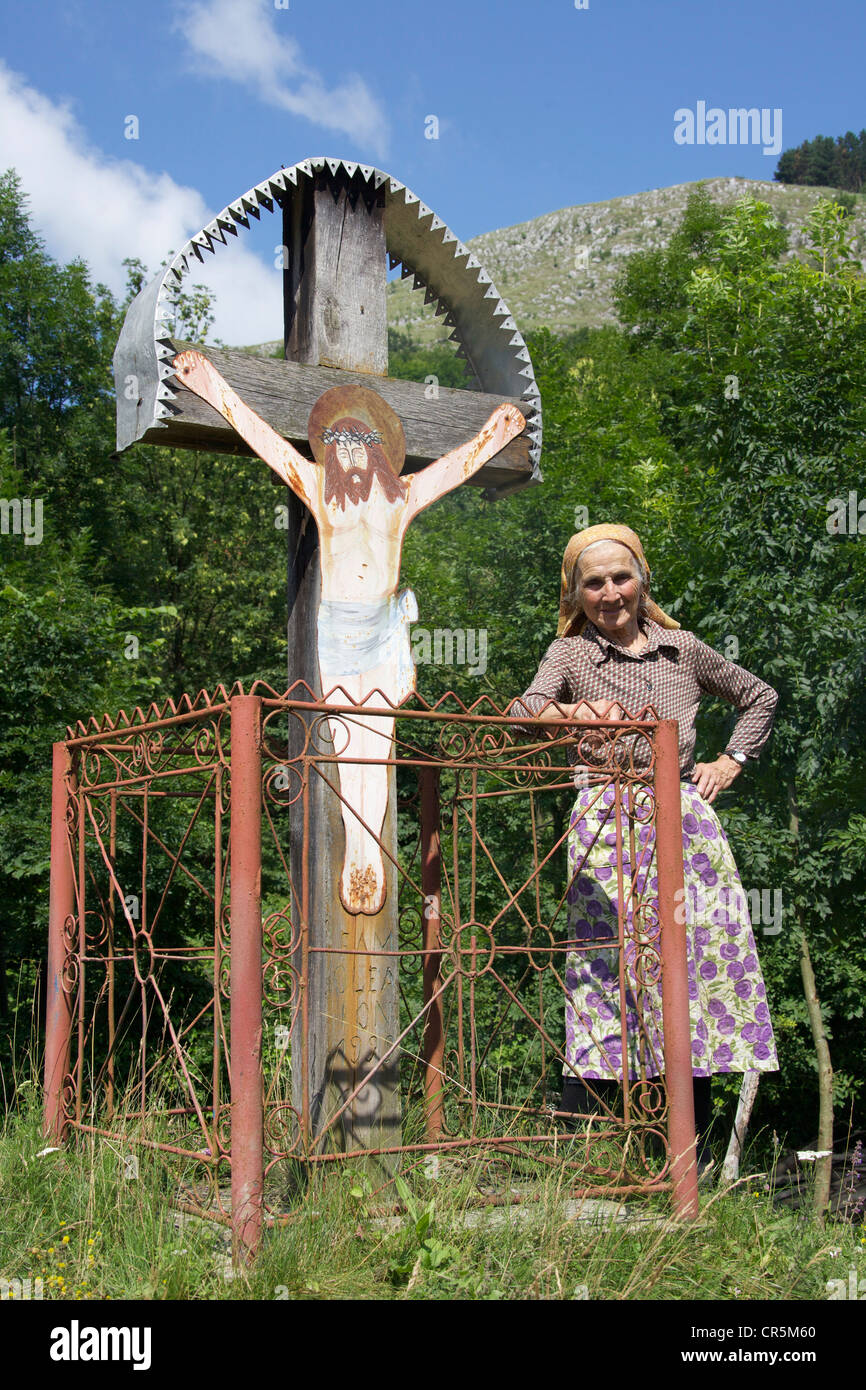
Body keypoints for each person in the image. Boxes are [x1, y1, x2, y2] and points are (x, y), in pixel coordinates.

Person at [173, 350, 524, 915]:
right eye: (342, 443)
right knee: (341, 742)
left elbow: (455, 468)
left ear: (381, 452)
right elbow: (264, 438)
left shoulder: (400, 497)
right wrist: (212, 388)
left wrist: (494, 432)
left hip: (384, 630)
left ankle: (368, 857)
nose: (355, 452)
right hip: (337, 633)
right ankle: (356, 850)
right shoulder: (316, 486)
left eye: (365, 443)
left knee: (378, 746)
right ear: (331, 452)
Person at [510, 523, 779, 1174]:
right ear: (577, 595)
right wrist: (574, 717)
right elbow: (523, 710)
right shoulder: (570, 655)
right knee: (607, 969)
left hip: (683, 824)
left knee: (691, 973)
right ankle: (588, 1162)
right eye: (594, 583)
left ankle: (690, 1158)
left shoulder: (682, 650)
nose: (610, 594)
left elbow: (759, 696)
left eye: (620, 578)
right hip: (606, 823)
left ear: (643, 580)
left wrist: (730, 761)